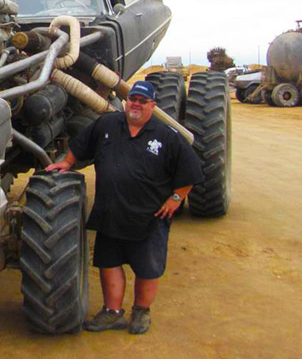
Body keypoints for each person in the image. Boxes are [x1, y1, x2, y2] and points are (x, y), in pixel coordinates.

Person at [46, 80, 203, 334]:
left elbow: (191, 172)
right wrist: (66, 163)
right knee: (109, 264)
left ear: (152, 105)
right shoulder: (107, 124)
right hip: (110, 213)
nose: (136, 105)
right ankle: (112, 312)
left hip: (149, 217)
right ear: (126, 101)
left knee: (147, 269)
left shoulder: (166, 136)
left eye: (143, 101)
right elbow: (80, 143)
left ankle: (141, 312)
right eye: (133, 99)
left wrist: (175, 199)